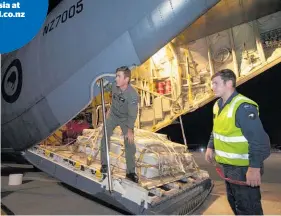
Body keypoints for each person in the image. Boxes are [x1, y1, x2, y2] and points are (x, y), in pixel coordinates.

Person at [205, 69, 271, 215]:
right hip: (228, 167)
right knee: (235, 204)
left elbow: (258, 140)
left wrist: (254, 168)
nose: (212, 87)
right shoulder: (217, 105)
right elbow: (217, 129)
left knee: (248, 209)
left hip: (244, 168)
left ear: (229, 83)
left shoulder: (242, 107)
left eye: (216, 83)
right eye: (212, 84)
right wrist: (210, 146)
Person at [100, 66, 139, 183]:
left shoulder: (132, 95)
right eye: (116, 76)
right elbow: (107, 88)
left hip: (125, 119)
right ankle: (104, 165)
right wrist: (100, 81)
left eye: (118, 76)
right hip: (112, 115)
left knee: (130, 143)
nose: (116, 78)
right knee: (105, 138)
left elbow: (133, 114)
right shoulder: (114, 86)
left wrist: (130, 129)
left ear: (126, 80)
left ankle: (130, 172)